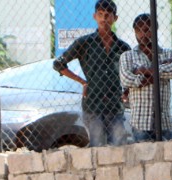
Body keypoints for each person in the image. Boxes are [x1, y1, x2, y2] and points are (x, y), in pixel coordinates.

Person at [53, 0, 131, 147]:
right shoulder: (85, 43)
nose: (104, 19)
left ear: (115, 18)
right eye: (100, 14)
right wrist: (83, 82)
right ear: (94, 16)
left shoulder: (123, 47)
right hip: (93, 104)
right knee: (97, 147)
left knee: (120, 146)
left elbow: (130, 73)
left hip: (115, 105)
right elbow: (59, 64)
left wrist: (126, 91)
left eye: (108, 15)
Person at [119, 13, 172, 142]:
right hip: (141, 122)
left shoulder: (167, 53)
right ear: (134, 32)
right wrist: (159, 72)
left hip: (164, 121)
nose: (143, 34)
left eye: (147, 30)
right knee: (144, 160)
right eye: (139, 30)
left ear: (155, 30)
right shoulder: (127, 56)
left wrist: (141, 71)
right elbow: (126, 79)